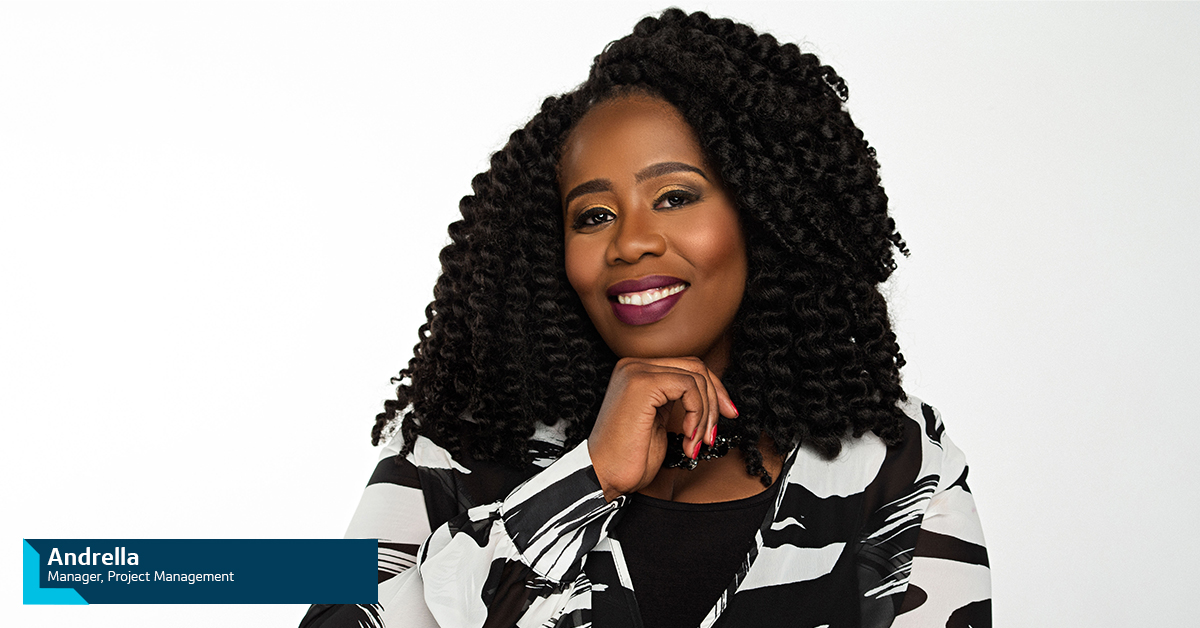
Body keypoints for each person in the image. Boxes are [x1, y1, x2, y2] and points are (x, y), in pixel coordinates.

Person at [301, 9, 990, 628]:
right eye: (593, 215)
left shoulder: (897, 464)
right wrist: (584, 480)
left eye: (675, 197)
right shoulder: (452, 443)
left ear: (763, 215)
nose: (629, 242)